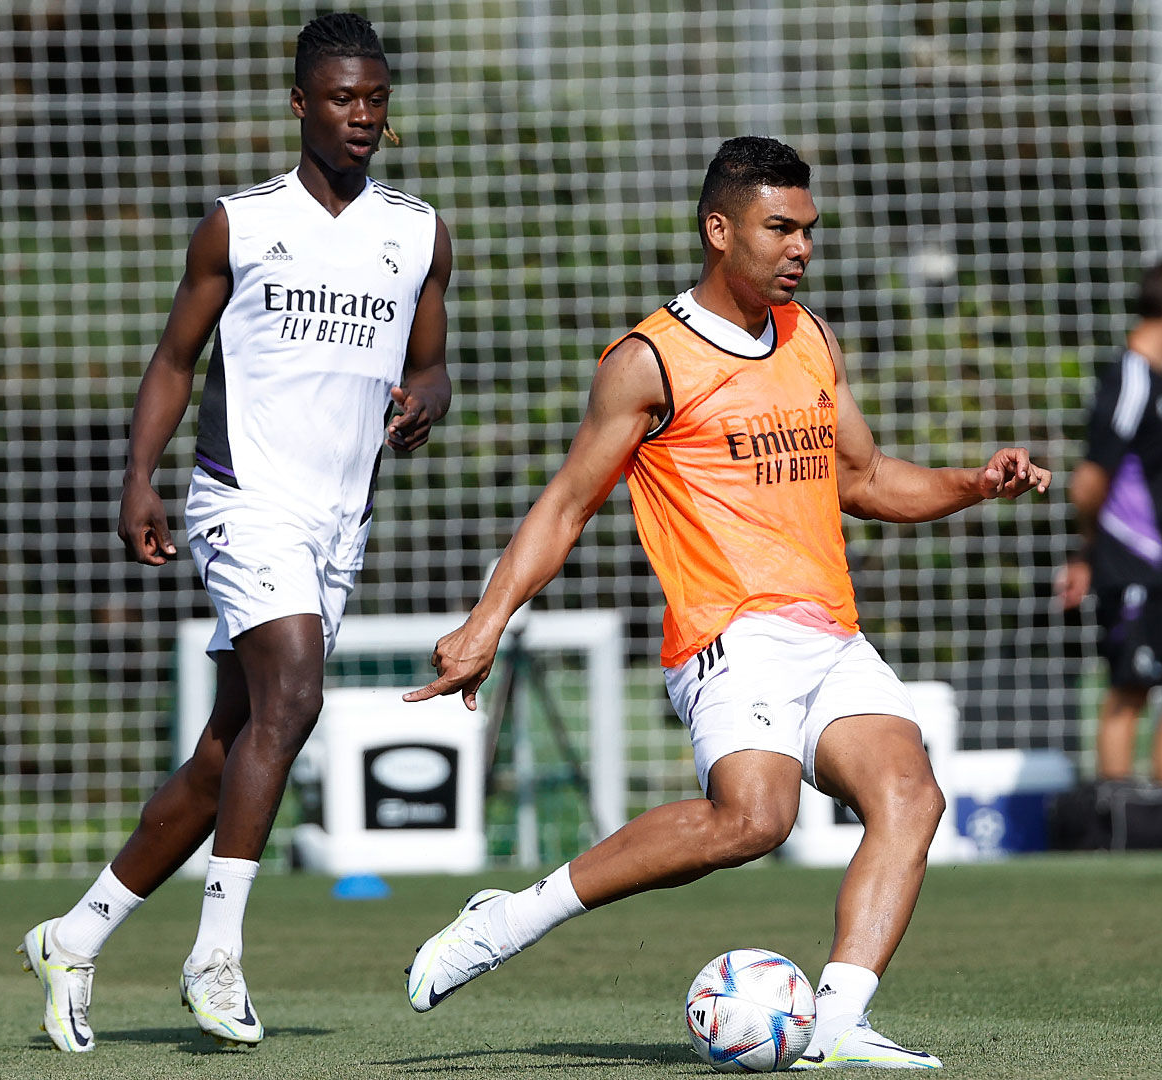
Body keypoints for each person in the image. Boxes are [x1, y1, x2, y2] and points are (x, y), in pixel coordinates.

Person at [400, 137, 1049, 1071]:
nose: (800, 248)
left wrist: (976, 481)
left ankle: (837, 1024)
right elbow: (567, 504)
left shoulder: (811, 338)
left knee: (910, 796)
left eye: (808, 231)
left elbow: (863, 479)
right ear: (719, 229)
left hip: (827, 629)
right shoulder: (649, 360)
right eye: (779, 228)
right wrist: (485, 620)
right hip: (726, 633)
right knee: (756, 818)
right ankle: (509, 919)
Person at [16, 13, 454, 1052]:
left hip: (339, 518)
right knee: (294, 694)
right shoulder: (238, 224)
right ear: (299, 102)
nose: (363, 118)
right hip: (241, 495)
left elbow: (431, 358)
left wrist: (429, 394)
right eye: (343, 99)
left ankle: (74, 937)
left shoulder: (419, 231)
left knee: (229, 752)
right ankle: (216, 956)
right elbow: (175, 359)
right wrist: (138, 479)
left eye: (377, 101)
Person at [1055, 260, 1162, 793]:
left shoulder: (1160, 379)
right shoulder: (1130, 378)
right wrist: (1087, 552)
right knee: (1130, 689)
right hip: (1134, 566)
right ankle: (1116, 814)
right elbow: (1089, 480)